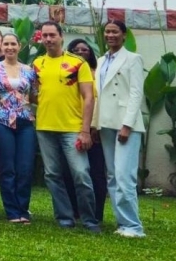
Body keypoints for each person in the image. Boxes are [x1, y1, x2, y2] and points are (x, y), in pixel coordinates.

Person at [34, 21, 100, 233]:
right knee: (52, 175)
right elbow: (34, 93)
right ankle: (64, 218)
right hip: (44, 127)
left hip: (73, 128)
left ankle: (90, 220)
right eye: (45, 35)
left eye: (52, 35)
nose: (48, 39)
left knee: (81, 173)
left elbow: (89, 98)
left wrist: (85, 129)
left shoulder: (78, 63)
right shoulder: (37, 64)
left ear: (61, 37)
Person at [94, 20, 146, 238]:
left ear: (124, 35)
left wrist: (127, 124)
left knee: (125, 176)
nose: (110, 35)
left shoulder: (133, 59)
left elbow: (136, 93)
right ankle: (122, 222)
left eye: (115, 31)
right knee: (113, 176)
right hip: (105, 123)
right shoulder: (101, 60)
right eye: (107, 31)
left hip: (126, 124)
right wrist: (95, 124)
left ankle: (134, 226)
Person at [0, 33, 37, 223]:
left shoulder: (29, 70)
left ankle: (23, 209)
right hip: (1, 121)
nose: (9, 47)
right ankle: (12, 211)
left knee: (24, 167)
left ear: (19, 46)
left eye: (13, 44)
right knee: (7, 167)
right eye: (6, 44)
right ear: (2, 46)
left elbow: (34, 96)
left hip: (25, 121)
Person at [65, 38, 107, 223]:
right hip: (71, 128)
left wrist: (93, 127)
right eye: (76, 50)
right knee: (71, 172)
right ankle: (75, 211)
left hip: (94, 130)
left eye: (85, 50)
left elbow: (98, 102)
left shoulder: (98, 74)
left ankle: (96, 214)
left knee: (96, 172)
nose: (81, 52)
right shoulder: (67, 74)